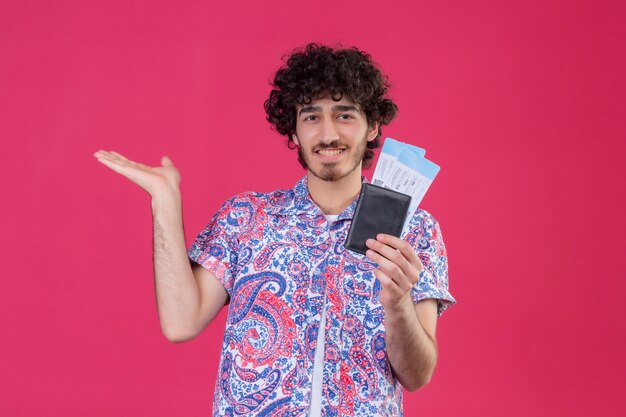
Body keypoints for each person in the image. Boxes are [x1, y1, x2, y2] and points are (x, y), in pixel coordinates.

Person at [94, 43, 455, 417]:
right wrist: (164, 200)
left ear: (372, 126)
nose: (328, 133)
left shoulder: (413, 230)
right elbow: (180, 322)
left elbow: (417, 375)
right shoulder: (247, 217)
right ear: (295, 132)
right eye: (311, 117)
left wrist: (397, 304)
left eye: (344, 115)